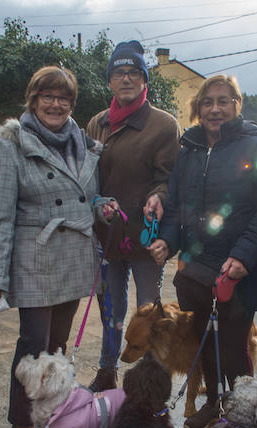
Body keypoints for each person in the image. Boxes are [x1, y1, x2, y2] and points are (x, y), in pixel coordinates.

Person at [0, 66, 108, 428]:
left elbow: (86, 198)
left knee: (57, 344)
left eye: (64, 98)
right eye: (47, 96)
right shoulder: (10, 144)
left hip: (75, 258)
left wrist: (101, 207)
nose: (56, 104)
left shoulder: (85, 144)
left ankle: (51, 413)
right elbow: (1, 215)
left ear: (73, 103)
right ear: (33, 99)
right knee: (33, 346)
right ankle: (21, 425)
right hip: (36, 259)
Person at [148, 75, 257, 428]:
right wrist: (167, 241)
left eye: (224, 101)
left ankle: (244, 415)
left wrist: (242, 256)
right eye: (208, 102)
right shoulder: (189, 148)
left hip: (236, 267)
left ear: (237, 105)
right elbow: (177, 207)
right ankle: (214, 403)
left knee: (234, 345)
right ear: (198, 108)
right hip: (196, 267)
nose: (215, 109)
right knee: (204, 341)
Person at [85, 40, 181, 391]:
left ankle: (151, 379)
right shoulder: (96, 124)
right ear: (109, 80)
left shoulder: (164, 125)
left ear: (144, 80)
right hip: (106, 239)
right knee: (110, 311)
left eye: (133, 73)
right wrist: (97, 203)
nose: (125, 79)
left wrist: (157, 196)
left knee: (148, 314)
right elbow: (87, 178)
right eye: (118, 72)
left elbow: (169, 179)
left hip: (145, 238)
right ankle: (107, 370)